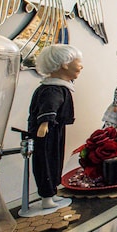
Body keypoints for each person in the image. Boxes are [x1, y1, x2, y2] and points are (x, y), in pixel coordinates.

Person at [28, 44, 83, 209]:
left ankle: (51, 192)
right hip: (46, 132)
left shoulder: (59, 87)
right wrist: (44, 124)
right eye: (78, 61)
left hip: (55, 129)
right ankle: (46, 196)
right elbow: (48, 107)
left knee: (55, 160)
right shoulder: (52, 89)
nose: (81, 65)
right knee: (46, 161)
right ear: (65, 64)